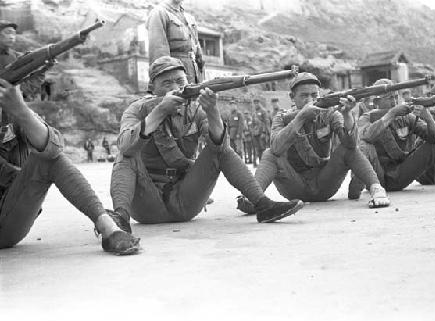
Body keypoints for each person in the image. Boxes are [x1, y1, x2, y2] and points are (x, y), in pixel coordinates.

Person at [108, 56, 303, 230]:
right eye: (166, 83)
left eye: (179, 81)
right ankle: (120, 220)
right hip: (146, 203)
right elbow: (125, 145)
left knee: (219, 151)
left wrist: (211, 111)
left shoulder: (196, 111)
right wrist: (159, 112)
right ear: (152, 88)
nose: (175, 87)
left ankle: (263, 205)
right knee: (125, 155)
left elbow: (221, 148)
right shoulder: (138, 109)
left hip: (184, 201)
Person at [0, 78, 140, 254]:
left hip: (9, 217)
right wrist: (29, 177)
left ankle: (106, 225)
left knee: (48, 159)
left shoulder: (13, 115)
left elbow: (53, 148)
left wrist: (21, 111)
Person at [237, 72, 390, 213]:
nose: (310, 100)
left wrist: (347, 114)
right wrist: (300, 118)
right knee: (268, 154)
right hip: (294, 187)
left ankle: (376, 188)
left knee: (349, 150)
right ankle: (254, 198)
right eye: (304, 95)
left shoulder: (330, 114)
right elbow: (276, 148)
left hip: (325, 183)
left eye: (314, 95)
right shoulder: (282, 117)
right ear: (292, 96)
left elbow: (350, 145)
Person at [146, 0, 204, 84]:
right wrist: (167, 81)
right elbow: (158, 51)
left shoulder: (189, 17)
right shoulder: (159, 13)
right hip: (174, 74)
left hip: (193, 73)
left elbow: (197, 50)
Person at [0, 20, 42, 101]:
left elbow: (38, 75)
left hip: (13, 103)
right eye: (8, 32)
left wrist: (21, 90)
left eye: (14, 33)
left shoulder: (18, 57)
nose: (12, 36)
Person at [250, 99, 269, 164]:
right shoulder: (254, 113)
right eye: (254, 103)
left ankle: (264, 163)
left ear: (259, 103)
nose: (256, 104)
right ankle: (260, 162)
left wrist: (264, 132)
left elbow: (266, 121)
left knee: (263, 148)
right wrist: (252, 131)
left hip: (261, 133)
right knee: (257, 149)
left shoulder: (263, 111)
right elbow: (252, 123)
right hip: (255, 133)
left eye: (257, 103)